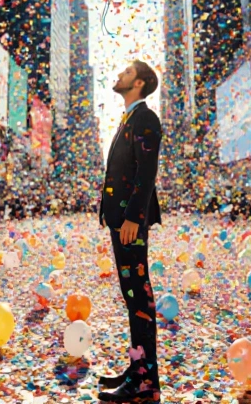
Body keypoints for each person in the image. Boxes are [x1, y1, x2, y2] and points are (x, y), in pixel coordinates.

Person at [97, 60, 163, 402]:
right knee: (132, 296)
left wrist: (134, 217)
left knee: (139, 296)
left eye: (125, 73)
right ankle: (138, 367)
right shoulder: (128, 119)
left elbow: (146, 172)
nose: (118, 76)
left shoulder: (145, 119)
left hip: (129, 224)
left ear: (139, 83)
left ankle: (145, 381)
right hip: (120, 221)